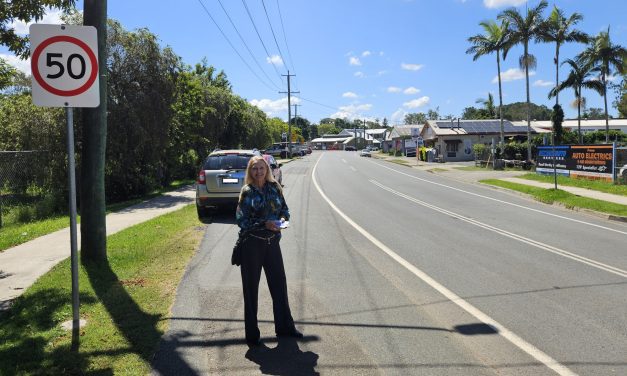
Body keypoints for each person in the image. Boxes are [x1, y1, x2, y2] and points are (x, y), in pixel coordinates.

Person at [236, 155, 303, 347]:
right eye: (255, 169)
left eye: (261, 168)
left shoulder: (275, 188)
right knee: (251, 290)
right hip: (252, 245)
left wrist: (281, 223)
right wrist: (264, 223)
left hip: (272, 243)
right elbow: (241, 220)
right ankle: (252, 335)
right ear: (250, 171)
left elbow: (286, 211)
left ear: (267, 170)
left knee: (279, 286)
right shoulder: (246, 192)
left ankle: (285, 327)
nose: (258, 172)